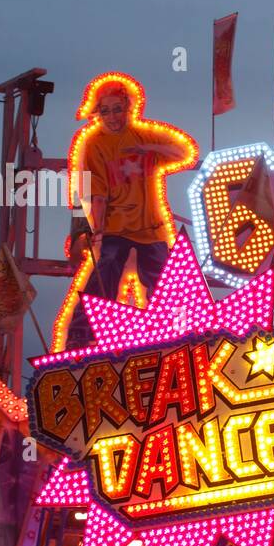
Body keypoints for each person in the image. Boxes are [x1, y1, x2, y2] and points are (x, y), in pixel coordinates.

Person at [65, 76, 195, 347]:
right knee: (103, 277)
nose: (112, 117)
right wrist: (96, 231)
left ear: (128, 107)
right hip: (116, 228)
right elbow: (97, 192)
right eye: (105, 110)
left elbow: (185, 152)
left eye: (117, 109)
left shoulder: (144, 134)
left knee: (166, 285)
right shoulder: (95, 143)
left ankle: (177, 338)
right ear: (97, 113)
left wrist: (150, 149)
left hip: (152, 227)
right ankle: (81, 338)